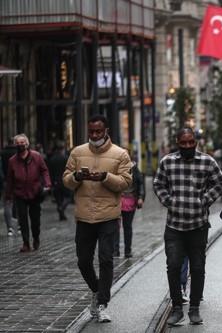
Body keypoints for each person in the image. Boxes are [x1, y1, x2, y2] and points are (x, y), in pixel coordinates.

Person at [63, 114, 132, 323]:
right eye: (91, 131)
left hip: (108, 215)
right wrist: (76, 177)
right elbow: (66, 179)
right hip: (84, 215)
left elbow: (125, 182)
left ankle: (102, 303)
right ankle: (96, 289)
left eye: (98, 131)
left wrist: (105, 177)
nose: (94, 135)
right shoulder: (78, 152)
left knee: (105, 259)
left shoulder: (120, 154)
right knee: (83, 261)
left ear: (106, 131)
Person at [153, 127, 222, 326]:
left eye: (190, 142)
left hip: (198, 225)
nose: (187, 146)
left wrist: (204, 200)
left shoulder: (207, 161)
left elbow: (220, 183)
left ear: (195, 142)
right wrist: (169, 201)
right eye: (183, 143)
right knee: (174, 266)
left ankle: (194, 309)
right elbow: (158, 183)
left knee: (198, 267)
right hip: (175, 225)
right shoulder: (167, 162)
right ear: (177, 142)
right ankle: (177, 308)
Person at [5, 134, 51, 252]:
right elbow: (10, 179)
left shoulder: (36, 156)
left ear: (27, 143)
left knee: (35, 219)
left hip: (35, 192)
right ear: (15, 144)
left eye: (23, 142)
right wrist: (8, 195)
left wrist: (47, 184)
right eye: (18, 143)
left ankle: (36, 237)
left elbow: (44, 170)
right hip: (20, 193)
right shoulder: (12, 161)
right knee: (23, 219)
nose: (21, 145)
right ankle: (26, 243)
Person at [114, 149, 145, 258]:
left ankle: (128, 250)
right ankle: (115, 250)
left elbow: (140, 183)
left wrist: (141, 197)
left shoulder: (134, 168)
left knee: (127, 226)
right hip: (117, 200)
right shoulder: (115, 167)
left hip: (130, 200)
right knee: (115, 226)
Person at [48, 143, 71, 221]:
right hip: (65, 180)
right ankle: (62, 208)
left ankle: (61, 214)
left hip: (55, 182)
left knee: (58, 199)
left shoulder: (52, 159)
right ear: (62, 149)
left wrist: (51, 182)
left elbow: (50, 172)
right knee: (68, 197)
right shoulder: (66, 158)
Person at [2, 138, 19, 236]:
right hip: (18, 181)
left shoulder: (2, 153)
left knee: (7, 204)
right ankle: (20, 226)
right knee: (20, 203)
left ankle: (10, 228)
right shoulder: (18, 153)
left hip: (6, 181)